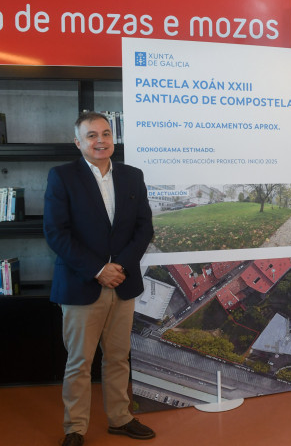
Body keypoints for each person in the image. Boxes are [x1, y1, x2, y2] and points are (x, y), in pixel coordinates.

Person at [44, 112, 155, 446]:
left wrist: (118, 266)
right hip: (81, 285)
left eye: (106, 133)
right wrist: (98, 269)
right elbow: (55, 233)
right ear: (78, 142)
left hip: (122, 283)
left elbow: (144, 228)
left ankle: (120, 419)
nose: (101, 140)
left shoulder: (132, 176)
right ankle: (75, 428)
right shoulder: (62, 177)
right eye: (91, 135)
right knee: (79, 362)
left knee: (118, 358)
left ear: (114, 139)